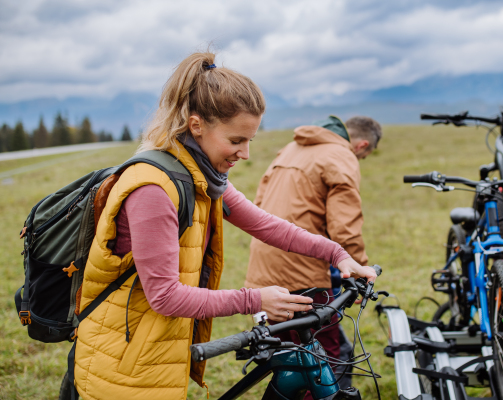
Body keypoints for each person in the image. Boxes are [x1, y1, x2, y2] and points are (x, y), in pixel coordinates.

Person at [72, 52, 377, 400]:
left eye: (250, 140)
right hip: (122, 366)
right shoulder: (153, 189)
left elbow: (266, 225)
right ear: (197, 125)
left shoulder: (203, 175)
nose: (245, 153)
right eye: (236, 141)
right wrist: (255, 300)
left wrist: (337, 254)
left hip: (153, 351)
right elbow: (165, 296)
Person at [245, 114, 382, 380]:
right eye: (363, 157)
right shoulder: (341, 156)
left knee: (286, 354)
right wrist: (359, 270)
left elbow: (258, 207)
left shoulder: (290, 149)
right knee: (326, 357)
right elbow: (345, 227)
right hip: (303, 271)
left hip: (264, 268)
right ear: (362, 145)